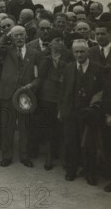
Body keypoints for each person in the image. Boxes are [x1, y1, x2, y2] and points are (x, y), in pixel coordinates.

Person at [59, 39, 105, 185]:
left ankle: (89, 172)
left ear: (88, 52)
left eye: (82, 51)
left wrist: (95, 108)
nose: (79, 55)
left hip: (89, 112)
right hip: (71, 111)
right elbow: (63, 91)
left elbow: (101, 91)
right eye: (76, 52)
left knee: (89, 144)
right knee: (70, 142)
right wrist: (61, 110)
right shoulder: (68, 67)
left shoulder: (98, 68)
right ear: (73, 52)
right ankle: (71, 170)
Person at [0, 26, 40, 168]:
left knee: (25, 126)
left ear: (26, 36)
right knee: (7, 126)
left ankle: (24, 156)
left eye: (21, 35)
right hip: (7, 93)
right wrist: (8, 34)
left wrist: (31, 85)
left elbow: (39, 77)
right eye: (16, 36)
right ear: (12, 38)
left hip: (25, 95)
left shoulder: (34, 53)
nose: (19, 38)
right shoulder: (7, 51)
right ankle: (7, 156)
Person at [35, 30, 73, 170]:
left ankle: (63, 157)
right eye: (57, 40)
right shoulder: (43, 55)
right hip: (48, 95)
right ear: (50, 43)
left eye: (62, 40)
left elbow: (71, 71)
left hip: (64, 94)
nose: (61, 43)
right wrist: (49, 60)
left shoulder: (68, 54)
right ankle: (49, 157)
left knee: (62, 126)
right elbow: (40, 74)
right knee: (49, 126)